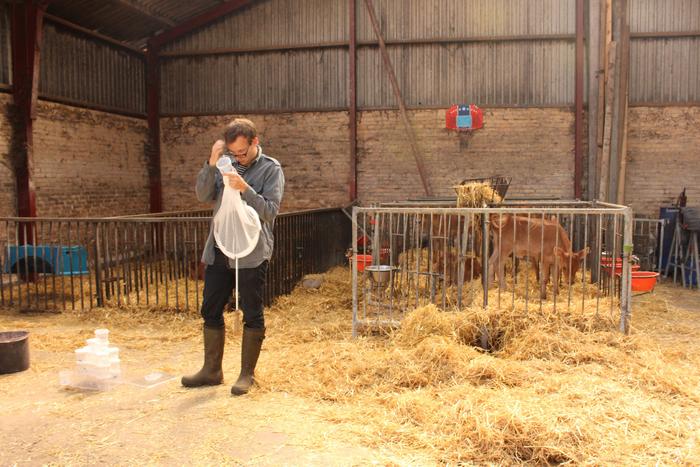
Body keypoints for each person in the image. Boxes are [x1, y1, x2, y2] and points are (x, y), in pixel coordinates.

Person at [182, 118, 284, 395]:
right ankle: (211, 370)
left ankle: (246, 375)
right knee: (210, 308)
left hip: (252, 252)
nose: (238, 157)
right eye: (233, 152)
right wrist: (211, 164)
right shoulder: (224, 164)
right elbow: (204, 196)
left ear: (255, 142)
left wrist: (245, 189)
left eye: (242, 152)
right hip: (219, 247)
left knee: (251, 310)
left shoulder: (270, 169)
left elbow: (270, 211)